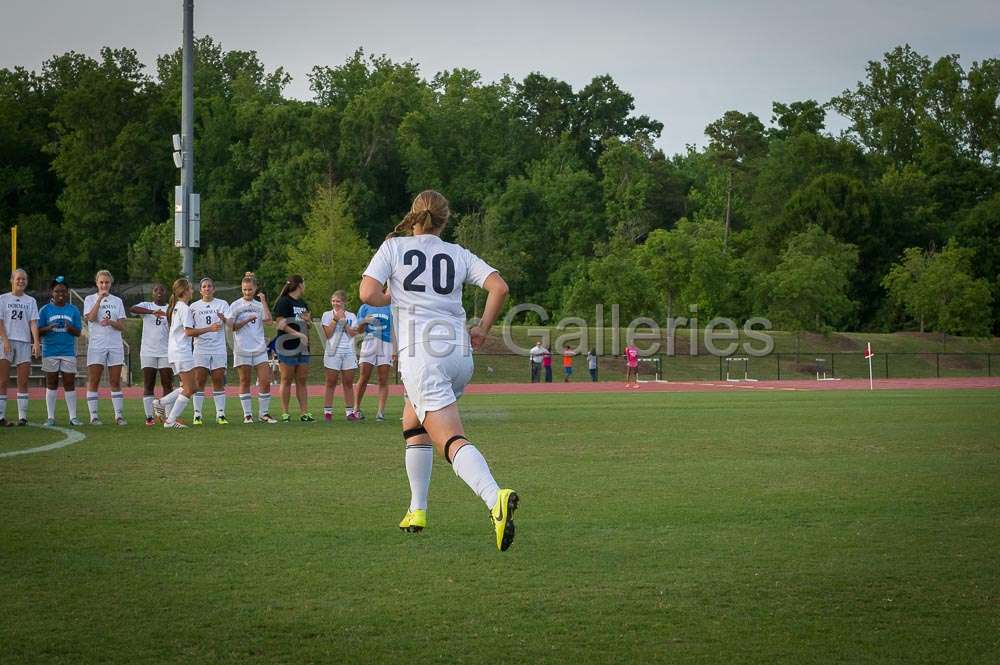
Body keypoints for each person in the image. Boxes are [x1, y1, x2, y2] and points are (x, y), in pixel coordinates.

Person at [360, 189, 518, 552]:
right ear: (445, 219)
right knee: (412, 422)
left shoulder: (394, 247)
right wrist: (482, 328)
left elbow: (367, 293)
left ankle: (495, 498)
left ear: (413, 216)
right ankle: (417, 509)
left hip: (422, 354)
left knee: (448, 439)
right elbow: (499, 287)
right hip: (459, 354)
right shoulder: (457, 253)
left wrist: (390, 297)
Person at [227, 272, 278, 424]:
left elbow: (269, 321)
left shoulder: (258, 305)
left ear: (255, 289)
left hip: (259, 348)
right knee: (245, 381)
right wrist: (247, 319)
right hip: (242, 348)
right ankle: (247, 415)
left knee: (265, 380)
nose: (247, 292)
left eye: (250, 289)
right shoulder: (235, 305)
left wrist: (263, 300)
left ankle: (264, 414)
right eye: (244, 290)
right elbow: (231, 327)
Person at [83, 270, 127, 425]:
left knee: (115, 381)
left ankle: (119, 416)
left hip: (115, 345)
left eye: (107, 282)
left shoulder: (117, 301)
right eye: (101, 282)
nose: (104, 285)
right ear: (97, 283)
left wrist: (111, 322)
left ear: (111, 283)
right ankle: (93, 416)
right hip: (97, 345)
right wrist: (100, 299)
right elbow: (91, 318)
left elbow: (122, 326)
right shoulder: (89, 299)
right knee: (94, 380)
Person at [38, 276, 82, 426]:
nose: (60, 294)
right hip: (50, 351)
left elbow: (78, 332)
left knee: (69, 383)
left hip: (68, 351)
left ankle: (73, 417)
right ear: (52, 292)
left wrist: (70, 328)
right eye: (57, 291)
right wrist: (48, 328)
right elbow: (37, 331)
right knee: (52, 383)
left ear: (67, 292)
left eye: (63, 291)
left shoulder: (73, 309)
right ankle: (50, 417)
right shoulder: (45, 310)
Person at [186, 277, 229, 425]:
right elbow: (190, 330)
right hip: (200, 348)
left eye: (209, 286)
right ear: (200, 290)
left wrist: (224, 319)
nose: (207, 289)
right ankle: (197, 414)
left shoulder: (222, 304)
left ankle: (220, 415)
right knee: (199, 380)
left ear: (214, 288)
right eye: (204, 286)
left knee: (218, 379)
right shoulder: (193, 307)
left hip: (218, 348)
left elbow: (230, 323)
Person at [0, 268, 40, 427]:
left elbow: (33, 322)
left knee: (23, 381)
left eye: (23, 279)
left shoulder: (30, 301)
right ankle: (1, 417)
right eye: (18, 279)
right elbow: (0, 321)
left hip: (24, 342)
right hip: (6, 342)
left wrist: (36, 341)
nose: (21, 281)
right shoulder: (2, 299)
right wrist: (5, 340)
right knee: (2, 380)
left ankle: (22, 417)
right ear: (12, 280)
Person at [130, 284, 173, 426]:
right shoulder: (146, 305)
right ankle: (149, 417)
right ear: (152, 293)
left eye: (162, 289)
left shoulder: (170, 309)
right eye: (156, 290)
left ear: (166, 293)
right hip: (148, 351)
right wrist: (151, 311)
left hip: (166, 352)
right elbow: (132, 309)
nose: (159, 292)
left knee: (167, 384)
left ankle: (167, 416)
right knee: (149, 384)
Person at [273, 274, 314, 422]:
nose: (305, 285)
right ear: (299, 285)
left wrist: (308, 321)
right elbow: (281, 324)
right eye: (304, 283)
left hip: (302, 347)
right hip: (286, 346)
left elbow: (308, 324)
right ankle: (285, 413)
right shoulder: (283, 302)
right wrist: (298, 334)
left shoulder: (303, 303)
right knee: (286, 379)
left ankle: (304, 413)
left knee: (302, 380)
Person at [159, 278, 196, 428]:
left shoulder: (177, 307)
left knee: (189, 386)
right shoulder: (184, 308)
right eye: (191, 289)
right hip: (181, 351)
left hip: (175, 351)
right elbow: (189, 332)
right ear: (185, 291)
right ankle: (170, 420)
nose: (192, 291)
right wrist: (209, 329)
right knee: (190, 388)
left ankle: (161, 403)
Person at [321, 289, 359, 421]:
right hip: (333, 351)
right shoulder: (327, 315)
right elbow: (328, 334)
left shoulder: (352, 316)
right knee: (330, 382)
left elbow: (353, 334)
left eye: (338, 301)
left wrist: (343, 322)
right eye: (333, 301)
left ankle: (349, 412)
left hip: (348, 351)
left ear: (344, 302)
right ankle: (328, 412)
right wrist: (335, 320)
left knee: (348, 382)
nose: (335, 303)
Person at [354, 302, 394, 421]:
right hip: (369, 341)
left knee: (383, 378)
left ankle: (380, 412)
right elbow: (360, 330)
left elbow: (394, 328)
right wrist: (365, 321)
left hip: (386, 343)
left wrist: (395, 349)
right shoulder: (365, 307)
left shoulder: (390, 306)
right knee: (364, 376)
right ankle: (356, 409)